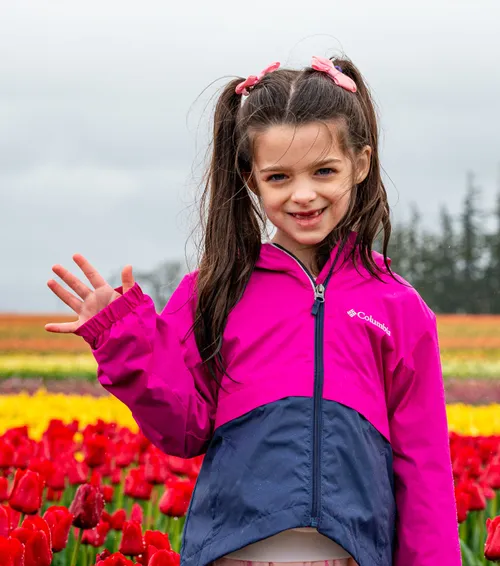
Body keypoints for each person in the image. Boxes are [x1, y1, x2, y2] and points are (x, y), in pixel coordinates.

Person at [44, 54, 462, 566]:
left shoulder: (399, 308)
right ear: (251, 178)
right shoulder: (216, 289)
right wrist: (123, 338)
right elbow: (183, 428)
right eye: (280, 177)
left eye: (324, 171)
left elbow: (424, 469)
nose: (303, 194)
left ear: (361, 163)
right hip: (232, 555)